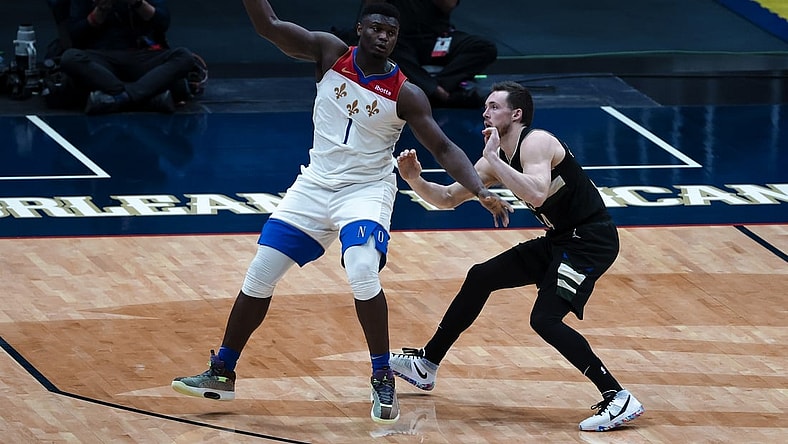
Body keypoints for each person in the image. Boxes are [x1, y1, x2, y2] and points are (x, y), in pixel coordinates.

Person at [170, 1, 513, 425]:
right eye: (376, 28)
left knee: (362, 268)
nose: (384, 36)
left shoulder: (406, 93)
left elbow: (442, 147)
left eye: (391, 31)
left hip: (366, 191)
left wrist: (479, 190)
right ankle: (222, 370)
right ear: (360, 30)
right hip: (314, 185)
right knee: (260, 273)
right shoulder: (330, 54)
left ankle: (382, 375)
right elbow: (269, 25)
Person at [390, 81, 645, 432]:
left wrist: (494, 160)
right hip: (560, 238)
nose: (485, 112)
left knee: (545, 319)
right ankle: (427, 364)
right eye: (486, 107)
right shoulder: (496, 159)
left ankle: (617, 396)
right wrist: (414, 179)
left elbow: (538, 194)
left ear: (516, 114)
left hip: (590, 240)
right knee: (481, 275)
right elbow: (448, 198)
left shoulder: (537, 142)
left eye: (494, 106)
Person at [334, 1, 497, 108]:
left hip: (436, 38)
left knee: (484, 47)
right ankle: (440, 94)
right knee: (383, 46)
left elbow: (448, 4)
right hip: (400, 40)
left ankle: (436, 89)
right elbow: (371, 10)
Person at [60, 0, 196, 114]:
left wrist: (138, 3)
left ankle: (120, 97)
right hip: (103, 59)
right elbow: (75, 34)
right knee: (70, 58)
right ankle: (147, 98)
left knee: (184, 56)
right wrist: (100, 10)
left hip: (142, 56)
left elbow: (163, 22)